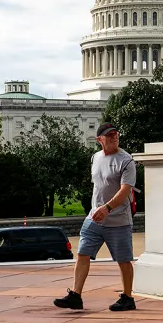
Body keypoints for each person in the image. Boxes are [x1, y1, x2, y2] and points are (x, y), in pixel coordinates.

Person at [54, 123, 137, 311]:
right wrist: (97, 210)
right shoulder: (96, 158)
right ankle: (76, 295)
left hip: (118, 220)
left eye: (116, 134)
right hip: (94, 217)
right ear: (99, 140)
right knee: (83, 253)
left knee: (123, 260)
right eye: (109, 135)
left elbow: (125, 191)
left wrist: (107, 208)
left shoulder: (126, 161)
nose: (114, 137)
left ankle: (128, 298)